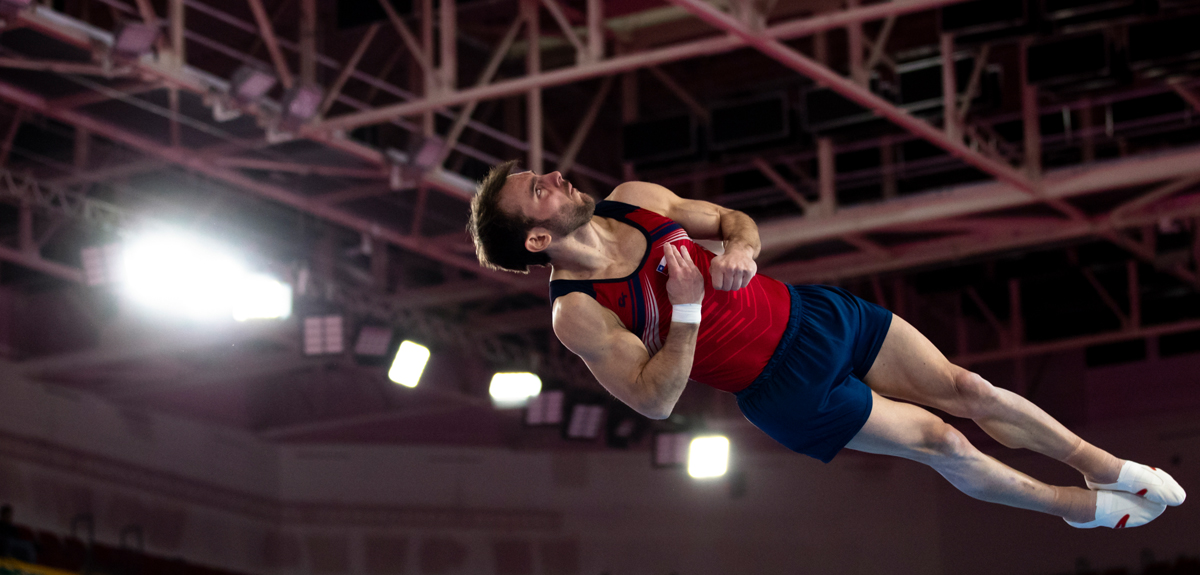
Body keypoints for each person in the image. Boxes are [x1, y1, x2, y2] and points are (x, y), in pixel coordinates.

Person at [466, 161, 1186, 529]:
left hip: (814, 315)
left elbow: (731, 218)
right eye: (538, 189)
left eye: (542, 172)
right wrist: (686, 313)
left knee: (968, 388)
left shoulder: (636, 197)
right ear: (537, 238)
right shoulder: (578, 314)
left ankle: (1112, 467)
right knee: (945, 442)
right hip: (788, 390)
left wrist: (743, 248)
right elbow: (655, 400)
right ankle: (1079, 506)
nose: (554, 175)